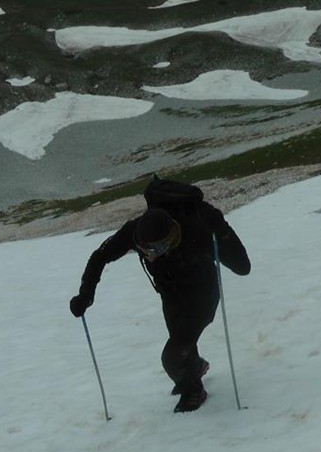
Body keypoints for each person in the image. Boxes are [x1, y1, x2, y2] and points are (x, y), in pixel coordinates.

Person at [69, 177, 251, 413]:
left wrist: (223, 231)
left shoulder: (197, 227)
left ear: (173, 235)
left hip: (203, 294)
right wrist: (86, 295)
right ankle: (194, 368)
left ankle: (193, 390)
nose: (151, 256)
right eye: (145, 251)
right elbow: (99, 257)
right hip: (170, 293)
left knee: (172, 356)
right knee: (180, 337)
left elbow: (242, 267)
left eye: (159, 249)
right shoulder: (134, 232)